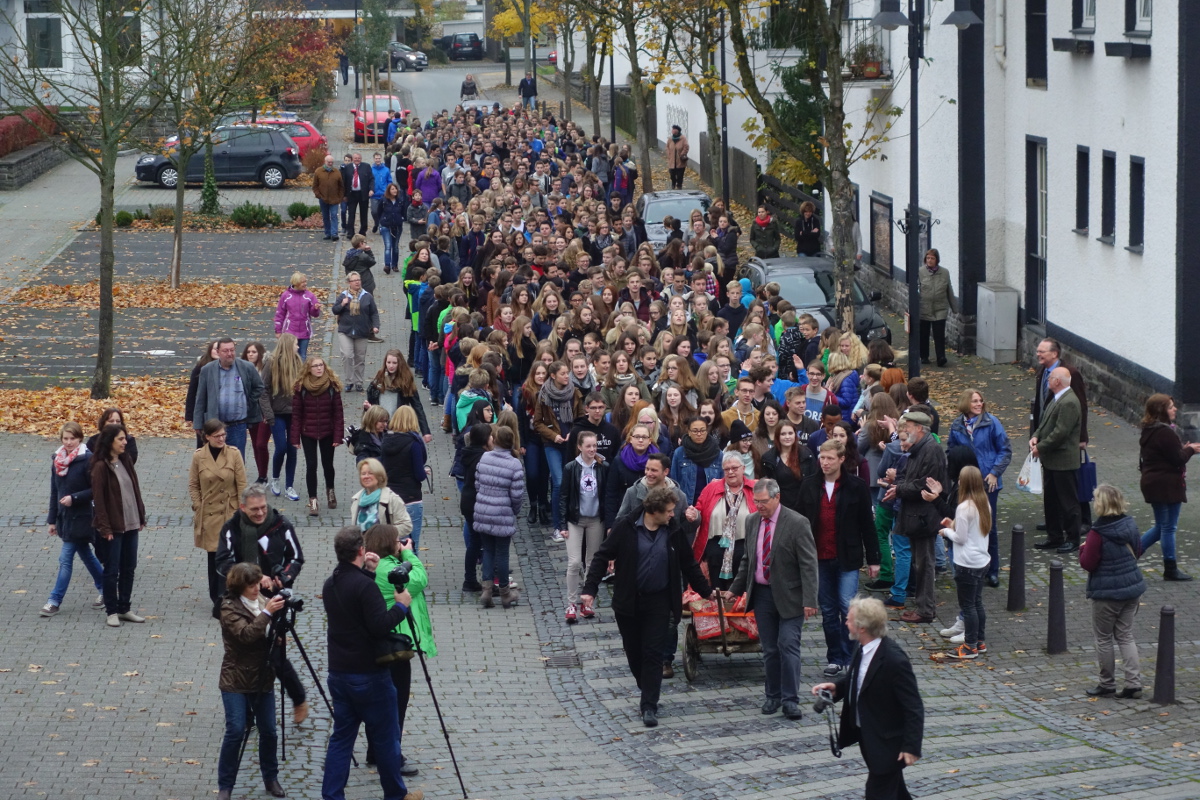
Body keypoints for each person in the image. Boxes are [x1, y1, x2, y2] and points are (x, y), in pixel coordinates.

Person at [580, 486, 714, 727]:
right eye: (670, 511)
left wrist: (707, 592)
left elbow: (688, 564)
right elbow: (602, 556)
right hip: (629, 601)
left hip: (659, 601)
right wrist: (589, 589)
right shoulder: (626, 527)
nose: (674, 515)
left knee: (653, 654)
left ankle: (649, 704)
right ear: (655, 511)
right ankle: (647, 686)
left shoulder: (673, 531)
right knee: (634, 653)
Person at [320, 527, 422, 800]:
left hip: (339, 673)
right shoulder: (365, 587)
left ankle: (332, 795)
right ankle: (396, 794)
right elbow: (379, 626)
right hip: (369, 675)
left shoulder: (331, 583)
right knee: (386, 739)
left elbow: (353, 604)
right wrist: (400, 605)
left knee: (341, 739)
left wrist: (369, 571)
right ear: (360, 551)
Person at [811, 596, 924, 800]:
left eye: (848, 619)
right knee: (896, 791)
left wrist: (911, 746)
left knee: (877, 792)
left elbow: (914, 707)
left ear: (861, 627)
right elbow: (859, 678)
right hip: (868, 735)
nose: (845, 622)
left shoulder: (894, 661)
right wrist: (837, 687)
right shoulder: (861, 646)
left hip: (888, 742)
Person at [215, 484, 308, 723]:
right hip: (240, 602)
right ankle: (246, 712)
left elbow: (296, 557)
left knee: (274, 655)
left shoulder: (281, 524)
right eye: (254, 509)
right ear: (243, 507)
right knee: (244, 653)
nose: (260, 513)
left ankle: (298, 698)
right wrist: (253, 577)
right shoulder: (231, 528)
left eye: (263, 507)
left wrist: (284, 577)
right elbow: (222, 563)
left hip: (274, 599)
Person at [726, 478, 818, 719]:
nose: (759, 506)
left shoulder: (798, 523)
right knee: (769, 649)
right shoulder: (752, 520)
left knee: (788, 645)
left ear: (777, 498)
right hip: (763, 594)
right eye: (756, 501)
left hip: (791, 596)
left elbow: (809, 564)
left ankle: (790, 700)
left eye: (764, 501)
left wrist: (810, 599)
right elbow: (748, 559)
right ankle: (772, 696)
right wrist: (735, 589)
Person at [798, 439, 879, 675]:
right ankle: (834, 657)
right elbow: (801, 523)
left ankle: (852, 656)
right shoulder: (809, 485)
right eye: (822, 458)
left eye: (830, 458)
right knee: (829, 610)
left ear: (841, 459)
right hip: (819, 557)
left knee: (847, 605)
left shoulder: (856, 486)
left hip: (848, 555)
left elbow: (867, 524)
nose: (824, 462)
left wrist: (873, 558)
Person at [364, 524, 436, 775]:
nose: (400, 543)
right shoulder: (389, 569)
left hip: (383, 641)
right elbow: (420, 579)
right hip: (396, 643)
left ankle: (375, 751)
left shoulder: (375, 566)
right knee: (396, 702)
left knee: (382, 701)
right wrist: (409, 553)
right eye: (396, 540)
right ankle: (392, 755)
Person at [216, 562, 288, 800]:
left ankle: (271, 778)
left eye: (258, 583)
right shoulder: (228, 608)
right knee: (235, 731)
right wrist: (268, 613)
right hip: (235, 678)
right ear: (239, 586)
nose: (257, 588)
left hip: (262, 676)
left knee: (269, 731)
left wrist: (280, 620)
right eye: (251, 585)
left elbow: (274, 631)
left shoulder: (261, 602)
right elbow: (246, 635)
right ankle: (225, 785)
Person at [1079, 484, 1146, 699]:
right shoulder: (1130, 523)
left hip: (1106, 594)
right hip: (1132, 589)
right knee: (1125, 636)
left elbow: (1088, 563)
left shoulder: (1097, 533)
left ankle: (1107, 683)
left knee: (1104, 638)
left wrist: (1082, 549)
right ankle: (1133, 683)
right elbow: (1137, 550)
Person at [945, 389, 1011, 588]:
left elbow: (1005, 449)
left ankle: (992, 570)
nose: (979, 404)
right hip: (966, 483)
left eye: (981, 400)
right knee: (966, 523)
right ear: (966, 403)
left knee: (988, 527)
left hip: (988, 483)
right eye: (974, 401)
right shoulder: (957, 425)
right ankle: (968, 566)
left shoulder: (991, 423)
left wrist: (994, 472)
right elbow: (952, 451)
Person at [41, 421, 105, 618]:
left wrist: (74, 498)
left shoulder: (88, 460)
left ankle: (54, 600)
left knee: (65, 559)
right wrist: (52, 520)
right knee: (85, 554)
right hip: (64, 517)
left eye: (73, 438)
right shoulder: (57, 460)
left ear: (80, 439)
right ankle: (107, 588)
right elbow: (55, 491)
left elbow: (96, 490)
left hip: (82, 516)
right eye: (65, 438)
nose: (69, 442)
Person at [189, 419, 249, 619]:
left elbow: (242, 485)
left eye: (224, 435)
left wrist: (242, 512)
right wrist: (198, 506)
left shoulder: (234, 454)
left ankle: (234, 597)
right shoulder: (199, 457)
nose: (222, 439)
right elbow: (193, 485)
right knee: (214, 558)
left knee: (233, 556)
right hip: (209, 515)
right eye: (217, 436)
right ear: (206, 437)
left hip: (229, 513)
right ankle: (217, 599)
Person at [1137, 393, 1200, 581]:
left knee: (1161, 527)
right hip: (1165, 485)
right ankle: (1170, 568)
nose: (1175, 409)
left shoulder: (1150, 430)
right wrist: (1191, 449)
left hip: (1154, 482)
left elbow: (1166, 453)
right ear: (1161, 410)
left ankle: (1129, 555)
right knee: (1168, 528)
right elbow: (1177, 458)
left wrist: (1182, 449)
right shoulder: (1165, 432)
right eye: (1171, 406)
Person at [891, 411, 946, 625]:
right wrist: (899, 485)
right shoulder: (920, 448)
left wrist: (899, 489)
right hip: (918, 515)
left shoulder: (930, 450)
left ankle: (926, 610)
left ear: (920, 429)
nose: (906, 431)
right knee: (920, 562)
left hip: (925, 516)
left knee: (925, 563)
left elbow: (923, 483)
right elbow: (908, 476)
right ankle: (923, 607)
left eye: (910, 427)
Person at [91, 423, 146, 628]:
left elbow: (135, 489)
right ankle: (112, 611)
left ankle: (125, 608)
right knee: (112, 570)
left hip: (131, 523)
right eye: (120, 439)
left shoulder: (126, 460)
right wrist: (105, 528)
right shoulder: (100, 467)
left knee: (129, 568)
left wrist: (140, 516)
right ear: (110, 442)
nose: (125, 442)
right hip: (114, 527)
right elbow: (99, 500)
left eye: (125, 438)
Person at [938, 466, 992, 660]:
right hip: (981, 560)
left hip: (967, 563)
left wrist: (946, 532)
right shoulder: (984, 502)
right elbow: (972, 530)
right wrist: (952, 524)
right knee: (977, 603)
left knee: (968, 605)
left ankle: (969, 646)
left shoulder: (963, 508)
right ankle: (979, 641)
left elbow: (959, 538)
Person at [1030, 367, 1083, 554]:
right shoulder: (1056, 398)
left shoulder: (1068, 402)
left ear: (1058, 381)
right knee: (1051, 500)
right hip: (1052, 460)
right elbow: (1045, 423)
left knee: (1068, 502)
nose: (1047, 380)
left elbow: (1060, 433)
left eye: (1050, 378)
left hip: (1064, 462)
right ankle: (1055, 537)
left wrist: (1040, 447)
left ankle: (1073, 538)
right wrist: (1036, 436)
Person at [474, 427, 526, 609]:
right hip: (502, 513)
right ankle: (505, 593)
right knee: (502, 553)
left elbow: (477, 483)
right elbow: (517, 495)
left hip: (483, 510)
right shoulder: (514, 464)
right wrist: (514, 510)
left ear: (494, 440)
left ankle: (487, 591)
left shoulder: (484, 457)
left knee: (488, 550)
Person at [560, 431, 608, 623]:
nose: (592, 449)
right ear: (579, 447)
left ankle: (587, 602)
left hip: (596, 519)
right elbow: (563, 496)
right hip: (575, 520)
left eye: (594, 446)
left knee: (592, 562)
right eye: (588, 446)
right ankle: (571, 602)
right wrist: (561, 524)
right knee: (574, 562)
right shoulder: (571, 468)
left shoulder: (602, 467)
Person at [694, 452, 758, 590]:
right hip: (716, 544)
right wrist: (693, 515)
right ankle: (718, 606)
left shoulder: (755, 488)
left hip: (745, 542)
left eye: (734, 468)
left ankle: (740, 606)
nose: (730, 472)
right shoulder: (711, 488)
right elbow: (698, 510)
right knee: (715, 563)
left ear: (743, 468)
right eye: (726, 469)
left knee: (742, 566)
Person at [290, 356, 345, 517]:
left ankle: (330, 491)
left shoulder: (332, 386)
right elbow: (296, 415)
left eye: (321, 365)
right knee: (311, 466)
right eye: (315, 366)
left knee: (328, 465)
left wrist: (338, 436)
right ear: (309, 369)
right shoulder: (301, 388)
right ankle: (313, 500)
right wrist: (295, 438)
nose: (319, 368)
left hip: (328, 431)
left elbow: (338, 414)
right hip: (308, 432)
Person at [533, 361, 583, 537]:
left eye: (567, 373)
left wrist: (572, 432)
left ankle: (571, 520)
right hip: (552, 444)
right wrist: (553, 435)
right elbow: (537, 422)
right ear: (553, 376)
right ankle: (557, 525)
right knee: (558, 482)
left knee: (572, 482)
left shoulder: (574, 392)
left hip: (570, 444)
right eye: (563, 373)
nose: (567, 376)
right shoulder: (543, 395)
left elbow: (580, 418)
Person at [193, 338, 265, 457]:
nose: (230, 354)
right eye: (226, 351)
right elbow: (200, 398)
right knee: (215, 460)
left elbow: (259, 387)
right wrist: (198, 423)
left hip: (238, 425)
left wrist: (248, 402)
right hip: (215, 425)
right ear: (218, 352)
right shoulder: (207, 370)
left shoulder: (246, 367)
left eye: (232, 350)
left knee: (236, 460)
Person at [379, 407, 429, 547]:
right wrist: (423, 472)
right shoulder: (414, 443)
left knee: (391, 545)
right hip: (410, 498)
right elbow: (419, 475)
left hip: (389, 498)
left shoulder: (386, 440)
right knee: (410, 546)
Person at [261, 334, 303, 502]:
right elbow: (262, 390)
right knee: (281, 448)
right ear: (288, 346)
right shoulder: (271, 364)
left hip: (293, 414)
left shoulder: (298, 362)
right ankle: (276, 478)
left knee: (292, 448)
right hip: (277, 413)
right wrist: (268, 414)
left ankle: (290, 486)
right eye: (296, 344)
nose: (298, 347)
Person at [366, 349, 432, 440]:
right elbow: (371, 401)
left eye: (394, 363)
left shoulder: (406, 381)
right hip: (380, 425)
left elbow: (417, 407)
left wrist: (426, 431)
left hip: (398, 425)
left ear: (399, 364)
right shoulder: (379, 378)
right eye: (388, 362)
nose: (391, 366)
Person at [333, 271, 381, 393]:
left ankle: (359, 382)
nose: (357, 282)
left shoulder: (367, 296)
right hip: (345, 330)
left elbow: (374, 312)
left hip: (362, 332)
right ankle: (349, 381)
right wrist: (342, 304)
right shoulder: (343, 296)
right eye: (354, 280)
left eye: (358, 280)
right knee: (348, 356)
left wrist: (375, 326)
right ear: (349, 283)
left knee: (360, 358)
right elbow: (335, 310)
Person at [349, 457, 413, 538]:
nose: (366, 476)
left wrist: (383, 535)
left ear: (379, 476)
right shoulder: (356, 500)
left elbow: (406, 526)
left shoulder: (392, 499)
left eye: (370, 473)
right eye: (363, 474)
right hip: (363, 549)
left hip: (384, 549)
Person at [917, 248, 956, 367]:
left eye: (932, 258)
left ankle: (941, 357)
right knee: (924, 333)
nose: (929, 260)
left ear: (937, 260)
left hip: (940, 308)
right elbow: (915, 290)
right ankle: (924, 356)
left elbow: (949, 289)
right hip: (925, 307)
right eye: (928, 258)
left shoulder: (944, 272)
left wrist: (954, 308)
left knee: (939, 334)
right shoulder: (920, 272)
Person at [274, 273, 322, 360]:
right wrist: (278, 330)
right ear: (295, 283)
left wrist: (315, 309)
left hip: (305, 332)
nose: (305, 284)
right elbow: (280, 314)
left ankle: (300, 373)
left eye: (305, 281)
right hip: (290, 332)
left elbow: (315, 314)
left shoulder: (309, 296)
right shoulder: (286, 296)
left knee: (302, 356)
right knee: (290, 356)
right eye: (302, 282)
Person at [313, 153, 346, 241]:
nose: (330, 164)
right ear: (325, 162)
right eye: (329, 162)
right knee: (325, 216)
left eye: (332, 162)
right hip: (323, 198)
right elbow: (315, 186)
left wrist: (340, 197)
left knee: (334, 215)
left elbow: (341, 186)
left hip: (334, 199)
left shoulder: (337, 172)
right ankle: (327, 233)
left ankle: (334, 233)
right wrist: (318, 195)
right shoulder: (318, 171)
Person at [341, 152, 374, 237]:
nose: (357, 160)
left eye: (358, 158)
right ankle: (350, 232)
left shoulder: (366, 166)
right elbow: (343, 182)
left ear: (361, 159)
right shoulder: (347, 168)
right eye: (355, 158)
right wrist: (344, 195)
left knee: (364, 213)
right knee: (351, 213)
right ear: (352, 159)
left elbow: (371, 179)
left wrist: (371, 189)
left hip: (363, 193)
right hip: (351, 194)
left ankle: (363, 231)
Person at [665, 125, 689, 190]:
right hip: (672, 160)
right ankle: (673, 184)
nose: (672, 130)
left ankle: (679, 186)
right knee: (672, 174)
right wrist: (669, 154)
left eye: (674, 129)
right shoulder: (670, 139)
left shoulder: (683, 138)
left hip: (680, 161)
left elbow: (686, 147)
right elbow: (667, 147)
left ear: (677, 130)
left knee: (680, 175)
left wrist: (682, 154)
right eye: (672, 129)